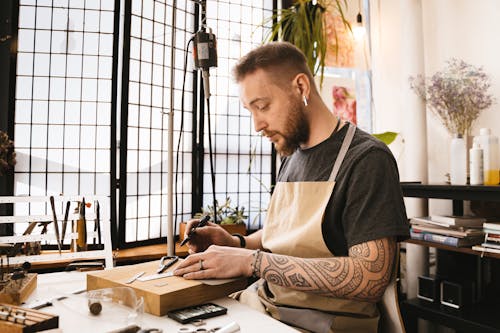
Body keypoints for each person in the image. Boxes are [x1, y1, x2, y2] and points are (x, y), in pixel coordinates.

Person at [174, 41, 409, 332]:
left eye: (263, 106)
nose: (257, 124)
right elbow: (286, 233)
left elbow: (369, 277)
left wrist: (252, 262)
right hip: (266, 309)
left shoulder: (366, 159)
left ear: (300, 87)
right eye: (250, 110)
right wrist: (235, 244)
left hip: (326, 324)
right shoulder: (293, 154)